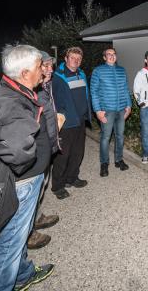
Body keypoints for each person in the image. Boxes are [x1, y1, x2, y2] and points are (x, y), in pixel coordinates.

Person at [0, 45, 54, 291]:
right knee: (10, 243)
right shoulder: (10, 102)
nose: (44, 71)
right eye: (40, 66)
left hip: (26, 180)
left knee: (21, 233)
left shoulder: (11, 91)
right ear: (26, 71)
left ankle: (23, 274)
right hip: (21, 183)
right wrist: (34, 146)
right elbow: (17, 150)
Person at [27, 51, 63, 250]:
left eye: (51, 66)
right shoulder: (32, 91)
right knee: (32, 188)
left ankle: (36, 216)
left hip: (48, 142)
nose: (49, 69)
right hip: (36, 148)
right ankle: (28, 233)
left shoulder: (46, 86)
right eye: (45, 66)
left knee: (41, 185)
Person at [51, 47, 91, 199]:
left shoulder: (81, 74)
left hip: (80, 120)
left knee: (78, 152)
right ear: (66, 59)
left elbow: (85, 95)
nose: (76, 61)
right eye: (73, 58)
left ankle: (72, 178)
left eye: (78, 58)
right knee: (62, 156)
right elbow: (52, 100)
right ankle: (57, 186)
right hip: (66, 122)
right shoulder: (57, 77)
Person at [91, 47, 132, 177]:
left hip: (121, 110)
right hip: (107, 110)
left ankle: (119, 160)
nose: (111, 56)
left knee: (120, 136)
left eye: (113, 54)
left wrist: (129, 105)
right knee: (105, 138)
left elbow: (126, 89)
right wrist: (98, 111)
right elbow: (94, 92)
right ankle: (104, 164)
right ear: (104, 57)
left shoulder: (121, 70)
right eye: (108, 54)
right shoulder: (98, 71)